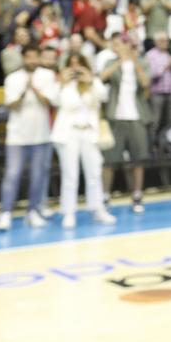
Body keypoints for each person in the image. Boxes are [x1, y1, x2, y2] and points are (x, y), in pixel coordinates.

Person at [0, 46, 59, 231]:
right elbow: (12, 105)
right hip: (17, 136)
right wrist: (25, 90)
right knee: (12, 174)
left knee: (38, 176)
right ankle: (5, 213)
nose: (32, 60)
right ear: (23, 58)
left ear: (39, 57)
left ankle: (33, 211)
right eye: (28, 57)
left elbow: (50, 102)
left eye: (35, 57)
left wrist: (35, 89)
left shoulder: (47, 76)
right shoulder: (12, 78)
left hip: (41, 135)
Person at [52, 54, 116, 228]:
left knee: (94, 172)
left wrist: (92, 80)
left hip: (89, 133)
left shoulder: (92, 84)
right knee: (70, 175)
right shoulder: (62, 85)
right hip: (69, 133)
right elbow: (54, 100)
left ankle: (98, 209)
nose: (75, 70)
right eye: (71, 66)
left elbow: (103, 96)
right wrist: (62, 83)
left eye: (79, 66)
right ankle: (68, 212)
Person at [100, 35, 152, 213]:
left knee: (138, 159)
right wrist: (120, 62)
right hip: (116, 116)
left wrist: (134, 61)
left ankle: (137, 196)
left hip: (137, 116)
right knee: (109, 160)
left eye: (119, 44)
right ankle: (105, 196)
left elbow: (146, 83)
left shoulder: (142, 62)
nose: (116, 47)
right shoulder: (110, 62)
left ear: (128, 45)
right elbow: (101, 77)